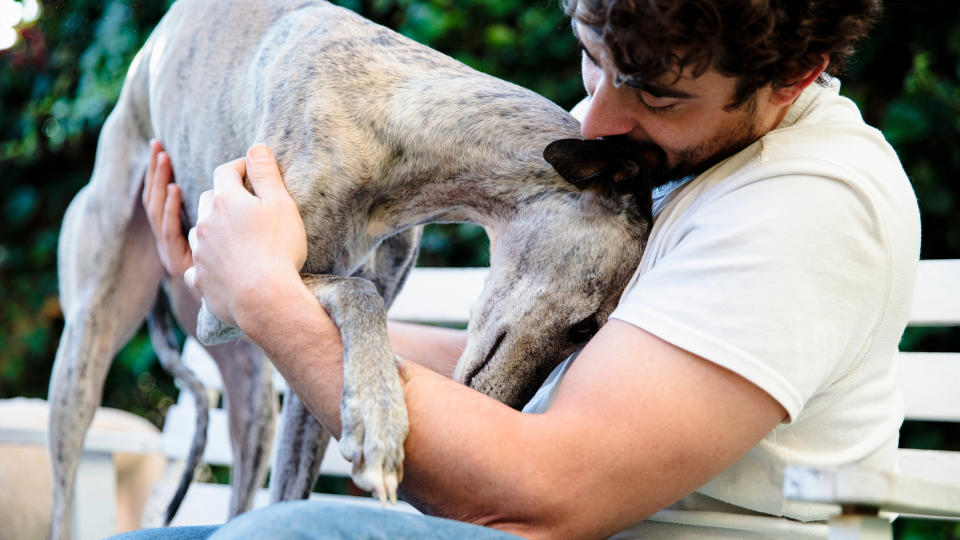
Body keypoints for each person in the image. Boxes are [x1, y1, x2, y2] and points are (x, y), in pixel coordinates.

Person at [124, 0, 920, 538]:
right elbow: (532, 382)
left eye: (659, 96)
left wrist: (270, 302)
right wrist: (243, 278)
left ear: (797, 75)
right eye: (591, 60)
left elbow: (547, 493)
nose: (599, 118)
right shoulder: (655, 159)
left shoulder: (811, 202)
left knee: (281, 532)